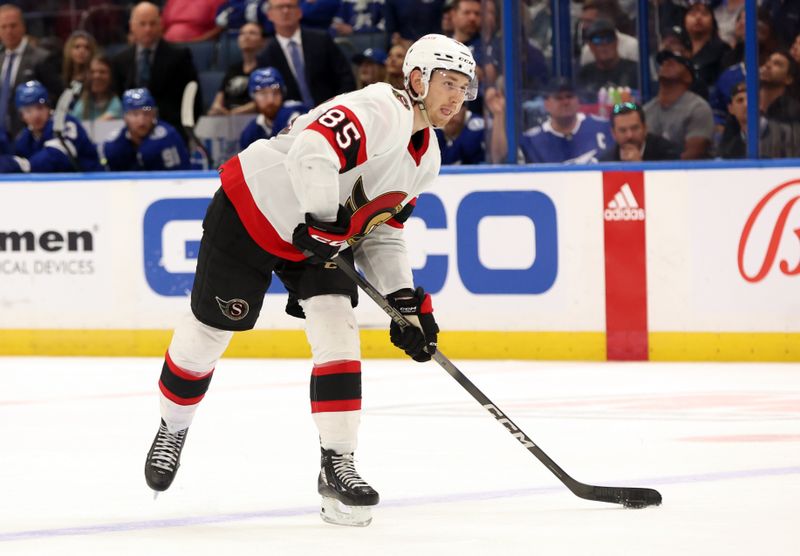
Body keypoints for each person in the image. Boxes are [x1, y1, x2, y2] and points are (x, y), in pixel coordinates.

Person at [142, 33, 477, 528]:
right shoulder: (381, 107)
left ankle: (337, 464)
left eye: (463, 87)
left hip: (317, 235)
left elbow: (381, 233)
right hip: (254, 210)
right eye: (447, 82)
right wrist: (323, 221)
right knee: (211, 331)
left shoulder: (427, 159)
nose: (455, 97)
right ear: (416, 78)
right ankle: (173, 425)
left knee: (338, 327)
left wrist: (402, 299)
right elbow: (312, 148)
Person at [110, 2, 201, 142]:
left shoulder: (179, 57)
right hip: (134, 137)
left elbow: (193, 99)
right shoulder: (120, 61)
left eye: (152, 23)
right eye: (142, 24)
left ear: (161, 25)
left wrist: (184, 131)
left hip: (172, 133)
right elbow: (121, 96)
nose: (148, 29)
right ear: (132, 26)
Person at [255, 0, 356, 108]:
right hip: (291, 119)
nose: (285, 11)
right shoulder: (265, 55)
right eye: (280, 7)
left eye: (290, 6)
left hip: (331, 112)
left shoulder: (321, 40)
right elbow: (267, 94)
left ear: (299, 12)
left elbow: (346, 78)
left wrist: (338, 106)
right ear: (269, 15)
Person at [0, 80, 102, 173]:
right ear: (21, 116)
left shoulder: (65, 123)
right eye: (28, 111)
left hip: (93, 184)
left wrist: (23, 165)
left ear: (48, 107)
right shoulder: (26, 137)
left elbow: (57, 157)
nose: (36, 115)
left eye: (40, 107)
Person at [0, 4, 62, 136]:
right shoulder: (0, 59)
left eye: (13, 25)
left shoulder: (42, 58)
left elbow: (58, 96)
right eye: (3, 27)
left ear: (23, 27)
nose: (8, 31)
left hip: (32, 135)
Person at [518, 78, 612, 164]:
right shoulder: (531, 140)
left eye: (569, 96)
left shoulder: (603, 127)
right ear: (547, 104)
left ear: (578, 101)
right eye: (558, 98)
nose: (565, 102)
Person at [643, 49, 714, 159]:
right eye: (664, 62)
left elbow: (693, 155)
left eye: (677, 62)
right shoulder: (646, 110)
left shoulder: (698, 108)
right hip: (652, 173)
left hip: (688, 174)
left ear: (688, 77)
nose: (667, 63)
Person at [101, 87, 190, 171]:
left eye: (146, 113)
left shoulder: (168, 137)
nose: (141, 120)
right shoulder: (115, 144)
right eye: (135, 114)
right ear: (125, 117)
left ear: (154, 115)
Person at [719, 82, 800, 158]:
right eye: (740, 100)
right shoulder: (730, 148)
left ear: (761, 104)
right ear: (731, 109)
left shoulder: (788, 134)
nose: (746, 104)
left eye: (751, 99)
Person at [239, 67, 309, 149]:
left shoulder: (294, 115)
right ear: (253, 97)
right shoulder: (251, 131)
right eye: (263, 93)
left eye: (275, 93)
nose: (270, 100)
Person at [208, 22, 265, 115]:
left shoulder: (265, 69)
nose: (246, 37)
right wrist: (217, 108)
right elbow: (218, 99)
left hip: (252, 117)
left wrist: (232, 113)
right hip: (227, 118)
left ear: (262, 41)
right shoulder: (233, 69)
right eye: (242, 33)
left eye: (252, 33)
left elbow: (263, 101)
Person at [598, 101, 681, 161]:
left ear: (645, 128)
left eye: (634, 128)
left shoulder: (667, 153)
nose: (629, 135)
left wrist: (640, 166)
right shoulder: (606, 162)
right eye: (623, 130)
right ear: (613, 133)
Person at [576, 18, 638, 94]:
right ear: (591, 46)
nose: (604, 44)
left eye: (608, 38)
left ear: (616, 42)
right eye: (597, 40)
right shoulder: (584, 74)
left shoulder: (635, 71)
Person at [70, 55, 124, 123]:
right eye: (92, 72)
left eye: (102, 72)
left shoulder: (116, 103)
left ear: (111, 76)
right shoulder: (82, 101)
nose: (96, 76)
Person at [162, 0, 226, 43]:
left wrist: (198, 42)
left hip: (199, 47)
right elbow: (161, 24)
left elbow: (220, 28)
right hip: (169, 47)